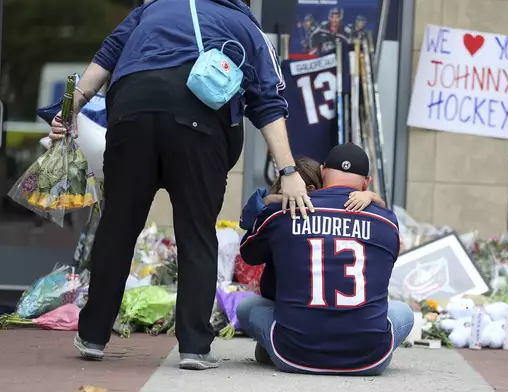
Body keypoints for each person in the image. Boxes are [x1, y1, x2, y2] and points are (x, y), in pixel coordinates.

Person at [47, 0, 313, 370]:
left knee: (117, 228)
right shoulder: (245, 24)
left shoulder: (148, 10)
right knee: (196, 234)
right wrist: (288, 172)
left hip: (131, 115)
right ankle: (193, 346)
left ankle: (92, 335)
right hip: (198, 125)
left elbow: (104, 59)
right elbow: (268, 102)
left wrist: (67, 113)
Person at [236, 143, 414, 376]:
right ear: (367, 182)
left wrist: (270, 201)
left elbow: (248, 254)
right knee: (404, 312)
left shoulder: (285, 211)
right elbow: (386, 262)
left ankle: (271, 343)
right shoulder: (387, 222)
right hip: (370, 359)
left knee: (247, 307)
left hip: (292, 355)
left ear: (322, 172)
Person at [240, 156, 385, 231]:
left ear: (310, 190)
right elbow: (245, 222)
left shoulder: (328, 207)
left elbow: (382, 208)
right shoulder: (275, 204)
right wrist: (269, 200)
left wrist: (369, 196)